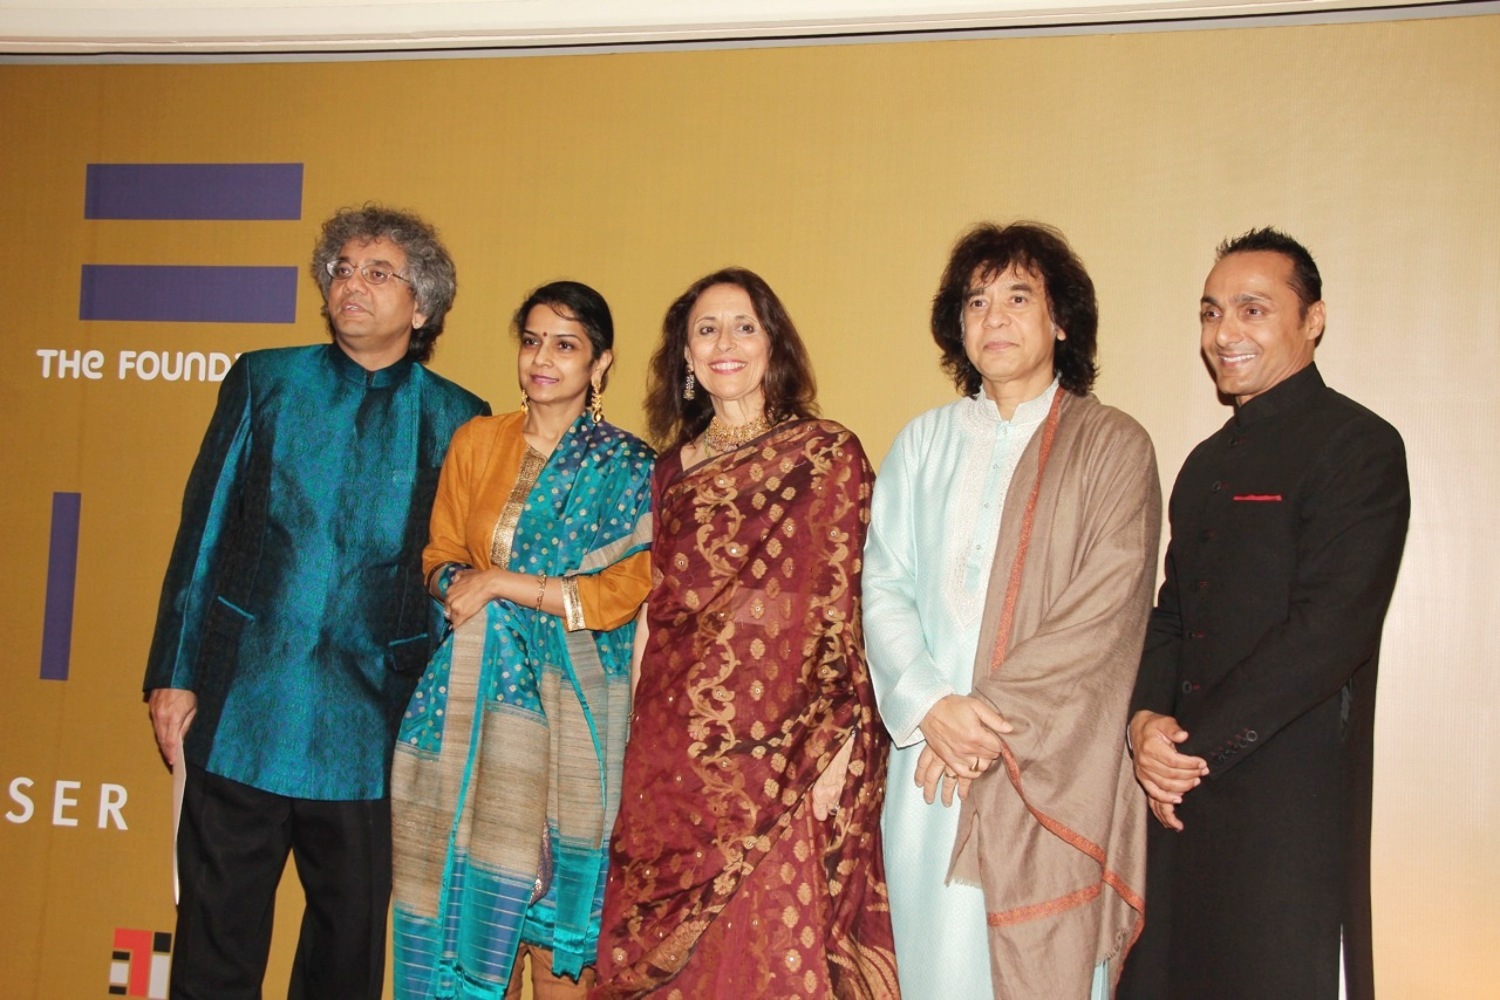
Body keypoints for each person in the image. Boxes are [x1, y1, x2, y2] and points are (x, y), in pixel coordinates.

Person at [142, 205, 489, 999]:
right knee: (213, 944)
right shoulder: (266, 381)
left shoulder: (460, 420)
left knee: (346, 957)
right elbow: (205, 533)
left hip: (378, 725)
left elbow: (457, 576)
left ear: (422, 307)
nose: (352, 285)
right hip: (241, 710)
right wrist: (177, 670)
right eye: (341, 270)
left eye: (378, 273)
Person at [864, 222, 1158, 999]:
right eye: (976, 300)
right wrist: (929, 704)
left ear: (1061, 319)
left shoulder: (1114, 446)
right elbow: (882, 584)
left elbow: (1107, 610)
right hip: (928, 759)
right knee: (934, 962)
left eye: (1017, 297)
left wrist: (983, 716)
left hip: (1051, 757)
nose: (992, 317)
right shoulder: (922, 444)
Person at [1118, 228, 1410, 1000]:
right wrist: (1146, 722)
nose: (1224, 334)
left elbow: (1330, 632)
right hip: (1176, 797)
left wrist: (1193, 751)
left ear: (1312, 319)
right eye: (1212, 313)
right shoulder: (1205, 464)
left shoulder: (1359, 446)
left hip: (1289, 799)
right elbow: (1172, 615)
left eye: (1252, 310)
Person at [592, 267, 900, 999]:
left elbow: (840, 611)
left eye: (743, 326)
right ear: (687, 360)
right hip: (676, 752)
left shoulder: (827, 456)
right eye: (706, 330)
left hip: (785, 750)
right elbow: (659, 608)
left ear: (773, 346)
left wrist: (837, 752)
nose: (724, 343)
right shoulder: (670, 470)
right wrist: (639, 745)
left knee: (774, 953)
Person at [389, 281, 654, 1000]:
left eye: (565, 345)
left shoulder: (630, 468)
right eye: (532, 340)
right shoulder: (479, 442)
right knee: (471, 906)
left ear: (600, 364)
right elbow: (440, 555)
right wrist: (463, 589)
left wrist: (505, 586)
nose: (543, 358)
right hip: (477, 704)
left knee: (550, 945)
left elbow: (623, 592)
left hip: (573, 713)